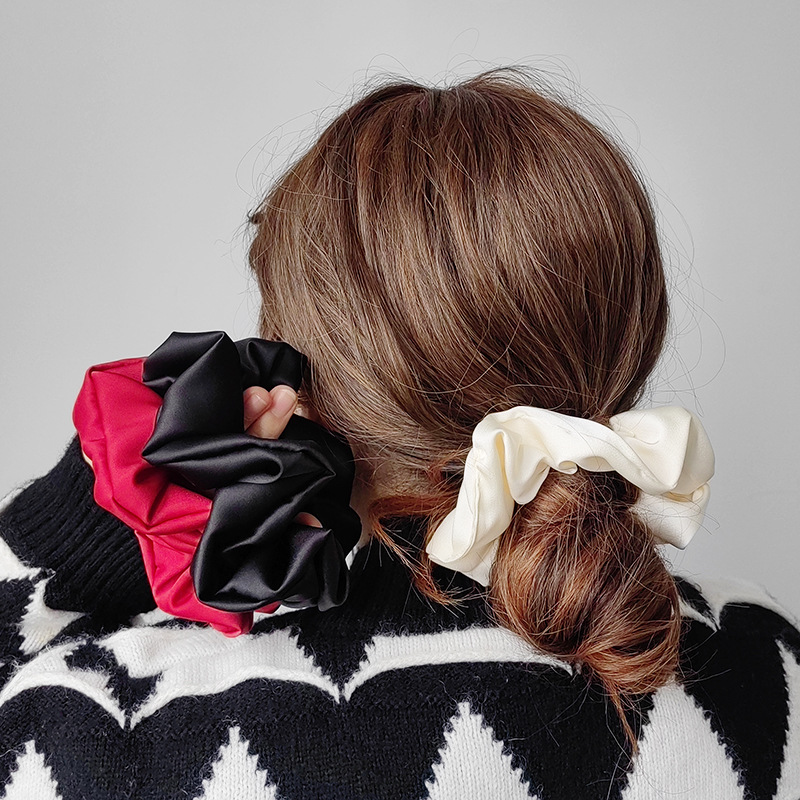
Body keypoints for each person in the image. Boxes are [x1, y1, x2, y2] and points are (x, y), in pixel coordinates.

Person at [0, 67, 798, 800]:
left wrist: (107, 497)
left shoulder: (107, 723)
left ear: (301, 388)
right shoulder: (767, 663)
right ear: (631, 331)